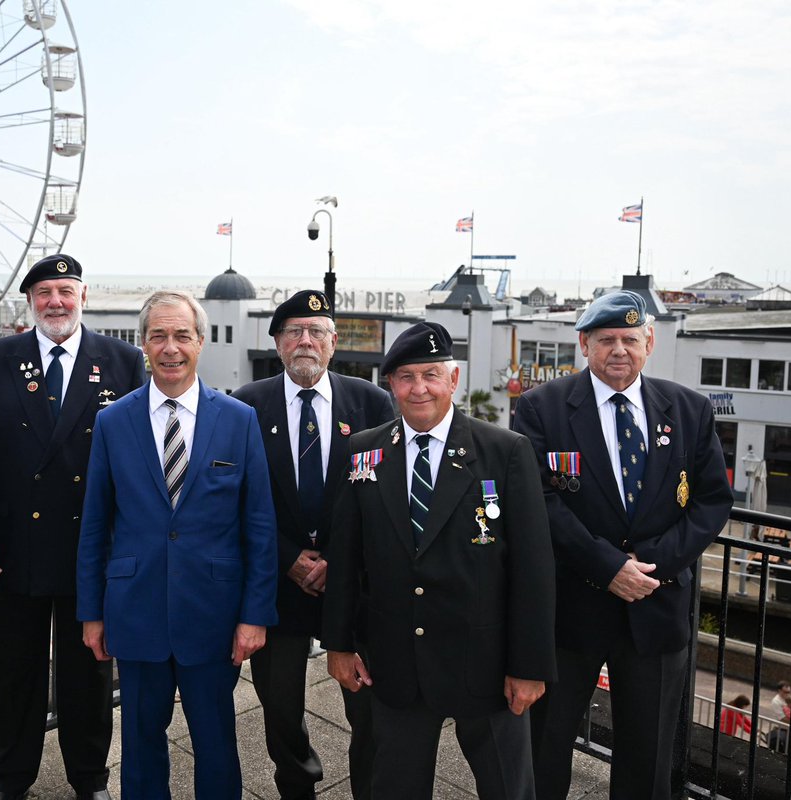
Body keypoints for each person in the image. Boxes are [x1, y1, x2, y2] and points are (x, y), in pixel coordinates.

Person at [512, 290, 733, 800]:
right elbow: (539, 502)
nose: (619, 349)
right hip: (569, 610)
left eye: (630, 339)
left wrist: (650, 566)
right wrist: (608, 566)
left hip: (655, 606)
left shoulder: (689, 410)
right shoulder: (541, 408)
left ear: (649, 343)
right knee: (545, 748)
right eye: (606, 339)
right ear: (584, 345)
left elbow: (711, 503)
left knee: (649, 758)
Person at [322, 321, 556, 800]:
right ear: (390, 385)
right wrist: (339, 645)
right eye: (406, 377)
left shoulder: (505, 451)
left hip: (486, 665)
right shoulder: (364, 450)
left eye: (431, 374)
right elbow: (346, 558)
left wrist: (530, 665)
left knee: (508, 788)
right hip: (397, 664)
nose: (419, 388)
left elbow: (533, 570)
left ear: (454, 379)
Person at [77, 290, 278, 800]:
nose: (171, 348)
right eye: (159, 336)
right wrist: (92, 614)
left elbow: (258, 524)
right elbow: (96, 525)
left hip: (213, 613)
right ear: (143, 343)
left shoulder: (238, 419)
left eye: (182, 335)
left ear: (201, 342)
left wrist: (255, 615)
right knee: (141, 741)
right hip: (135, 611)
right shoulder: (112, 421)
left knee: (216, 739)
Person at [0, 253, 146, 800]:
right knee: (15, 672)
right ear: (30, 302)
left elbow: (136, 463)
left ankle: (89, 779)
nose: (55, 302)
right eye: (44, 293)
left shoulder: (122, 360)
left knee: (88, 674)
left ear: (83, 296)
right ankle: (11, 778)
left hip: (91, 548)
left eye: (65, 291)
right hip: (13, 550)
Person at [232, 289, 394, 800]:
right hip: (278, 583)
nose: (306, 341)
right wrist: (289, 560)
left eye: (316, 332)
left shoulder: (372, 402)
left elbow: (386, 496)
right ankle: (297, 786)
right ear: (277, 343)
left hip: (355, 584)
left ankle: (368, 788)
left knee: (368, 706)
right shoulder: (245, 406)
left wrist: (338, 560)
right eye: (294, 332)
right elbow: (233, 500)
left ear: (333, 342)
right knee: (280, 708)